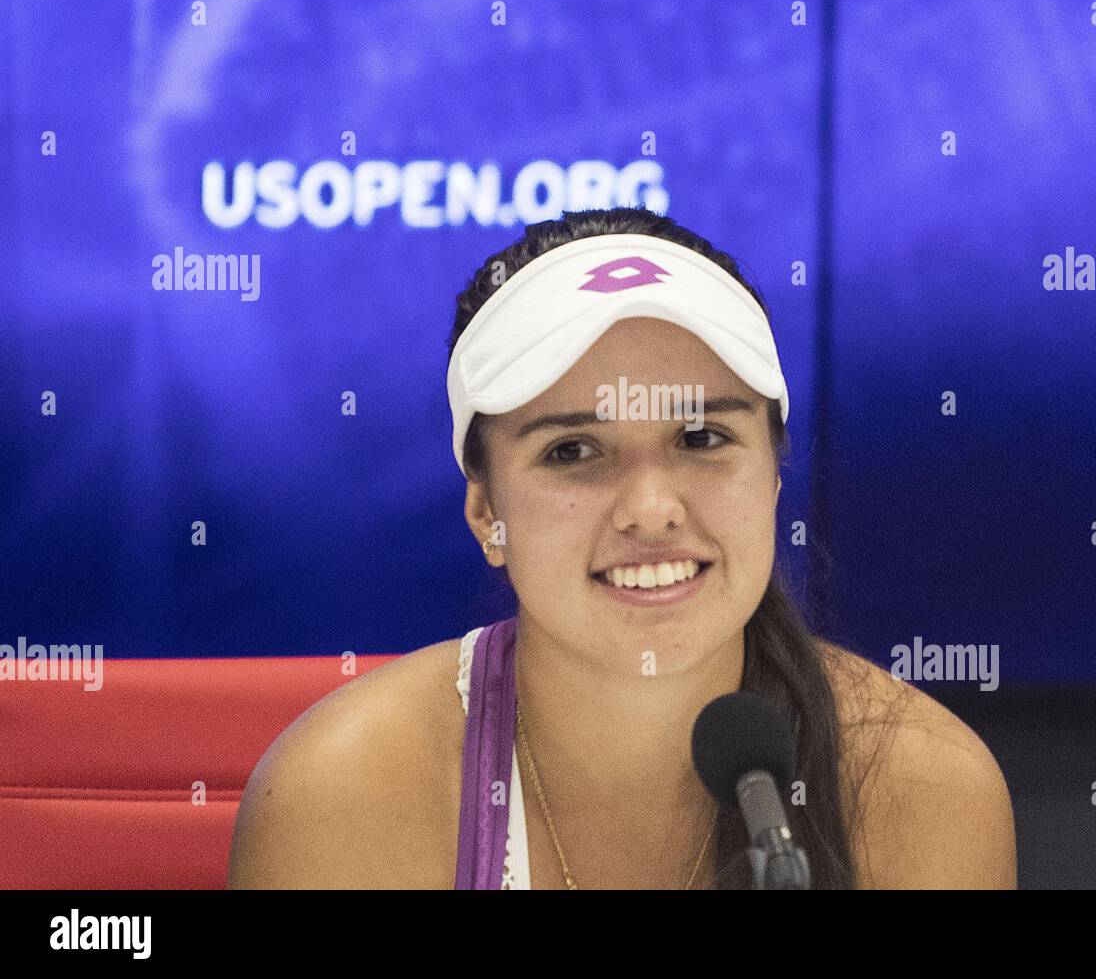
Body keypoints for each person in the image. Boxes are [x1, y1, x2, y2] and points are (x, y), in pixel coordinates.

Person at [226, 207, 1016, 890]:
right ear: (484, 511)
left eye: (702, 436)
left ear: (775, 475)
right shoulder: (345, 792)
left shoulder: (922, 784)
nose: (650, 509)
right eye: (573, 450)